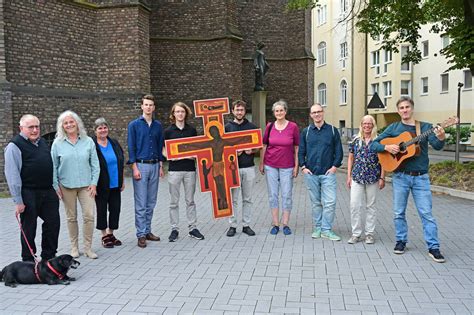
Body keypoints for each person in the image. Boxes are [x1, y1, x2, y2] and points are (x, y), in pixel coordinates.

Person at [371, 96, 446, 263]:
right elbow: (373, 144)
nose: (404, 110)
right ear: (398, 111)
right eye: (401, 108)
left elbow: (438, 146)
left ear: (412, 108)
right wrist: (387, 147)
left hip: (421, 178)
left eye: (407, 107)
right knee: (399, 212)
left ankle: (433, 247)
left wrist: (441, 137)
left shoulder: (425, 127)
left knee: (426, 213)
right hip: (400, 176)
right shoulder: (394, 127)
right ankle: (401, 241)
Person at [4, 115, 60, 262]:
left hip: (47, 191)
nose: (35, 130)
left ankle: (49, 256)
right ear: (21, 128)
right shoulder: (14, 146)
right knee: (29, 227)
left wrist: (55, 187)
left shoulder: (42, 142)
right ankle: (28, 259)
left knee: (53, 223)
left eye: (37, 127)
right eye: (31, 127)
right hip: (28, 192)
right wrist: (18, 200)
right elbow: (12, 174)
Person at [51, 111, 100, 259]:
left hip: (86, 186)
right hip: (66, 186)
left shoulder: (88, 141)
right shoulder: (57, 143)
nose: (69, 125)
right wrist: (55, 186)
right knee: (71, 218)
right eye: (66, 123)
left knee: (89, 216)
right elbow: (53, 166)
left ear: (77, 123)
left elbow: (95, 164)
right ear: (62, 126)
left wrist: (94, 183)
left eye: (71, 122)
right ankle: (74, 247)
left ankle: (88, 248)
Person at [298, 104, 343, 241]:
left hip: (328, 173)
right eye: (314, 112)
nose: (317, 114)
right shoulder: (306, 132)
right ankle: (318, 227)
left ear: (323, 113)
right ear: (311, 115)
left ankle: (326, 230)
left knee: (330, 202)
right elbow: (301, 151)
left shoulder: (333, 131)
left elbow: (339, 151)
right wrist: (303, 167)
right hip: (311, 173)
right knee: (316, 203)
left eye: (319, 112)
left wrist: (335, 167)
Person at [128, 94, 164, 248]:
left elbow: (160, 145)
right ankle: (141, 234)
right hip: (141, 166)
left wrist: (161, 166)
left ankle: (148, 230)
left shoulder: (158, 126)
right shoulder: (134, 125)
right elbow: (131, 147)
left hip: (155, 165)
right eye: (146, 104)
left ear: (154, 107)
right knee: (141, 202)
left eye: (151, 105)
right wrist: (134, 167)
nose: (148, 107)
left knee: (151, 201)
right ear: (142, 106)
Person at [164, 102, 204, 242]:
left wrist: (189, 155)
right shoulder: (168, 131)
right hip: (174, 170)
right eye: (177, 111)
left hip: (189, 170)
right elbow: (164, 151)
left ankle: (192, 228)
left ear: (185, 114)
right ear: (173, 114)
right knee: (174, 202)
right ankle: (174, 229)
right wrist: (172, 156)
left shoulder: (191, 130)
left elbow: (196, 151)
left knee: (190, 200)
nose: (180, 114)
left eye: (182, 111)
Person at [259, 100, 299, 235]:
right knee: (273, 195)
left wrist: (296, 166)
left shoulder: (293, 127)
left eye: (281, 110)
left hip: (287, 166)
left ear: (285, 111)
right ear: (274, 113)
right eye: (277, 111)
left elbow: (297, 148)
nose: (279, 113)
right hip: (270, 165)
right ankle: (275, 223)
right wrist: (261, 163)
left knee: (287, 194)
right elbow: (264, 145)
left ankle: (285, 224)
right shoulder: (270, 126)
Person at [346, 115, 385, 245]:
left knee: (371, 206)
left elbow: (383, 161)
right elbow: (351, 158)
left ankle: (369, 234)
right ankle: (356, 233)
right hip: (357, 176)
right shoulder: (355, 140)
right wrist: (349, 176)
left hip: (373, 177)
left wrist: (382, 177)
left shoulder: (378, 140)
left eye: (369, 124)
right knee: (354, 205)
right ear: (361, 125)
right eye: (365, 124)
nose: (367, 126)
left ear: (373, 125)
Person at [225, 100, 258, 237]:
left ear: (245, 111)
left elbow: (258, 146)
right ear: (232, 111)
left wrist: (253, 150)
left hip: (248, 167)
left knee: (247, 198)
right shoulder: (227, 128)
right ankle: (232, 225)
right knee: (233, 199)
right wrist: (233, 152)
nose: (239, 112)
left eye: (242, 110)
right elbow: (221, 149)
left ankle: (246, 224)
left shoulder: (251, 127)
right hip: (232, 168)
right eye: (237, 110)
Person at [93, 118, 125, 248]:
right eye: (100, 128)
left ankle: (111, 233)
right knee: (101, 210)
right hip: (101, 184)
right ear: (95, 131)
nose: (103, 130)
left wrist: (122, 180)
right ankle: (104, 235)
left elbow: (121, 161)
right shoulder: (92, 145)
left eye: (105, 127)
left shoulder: (114, 143)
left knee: (115, 209)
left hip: (115, 182)